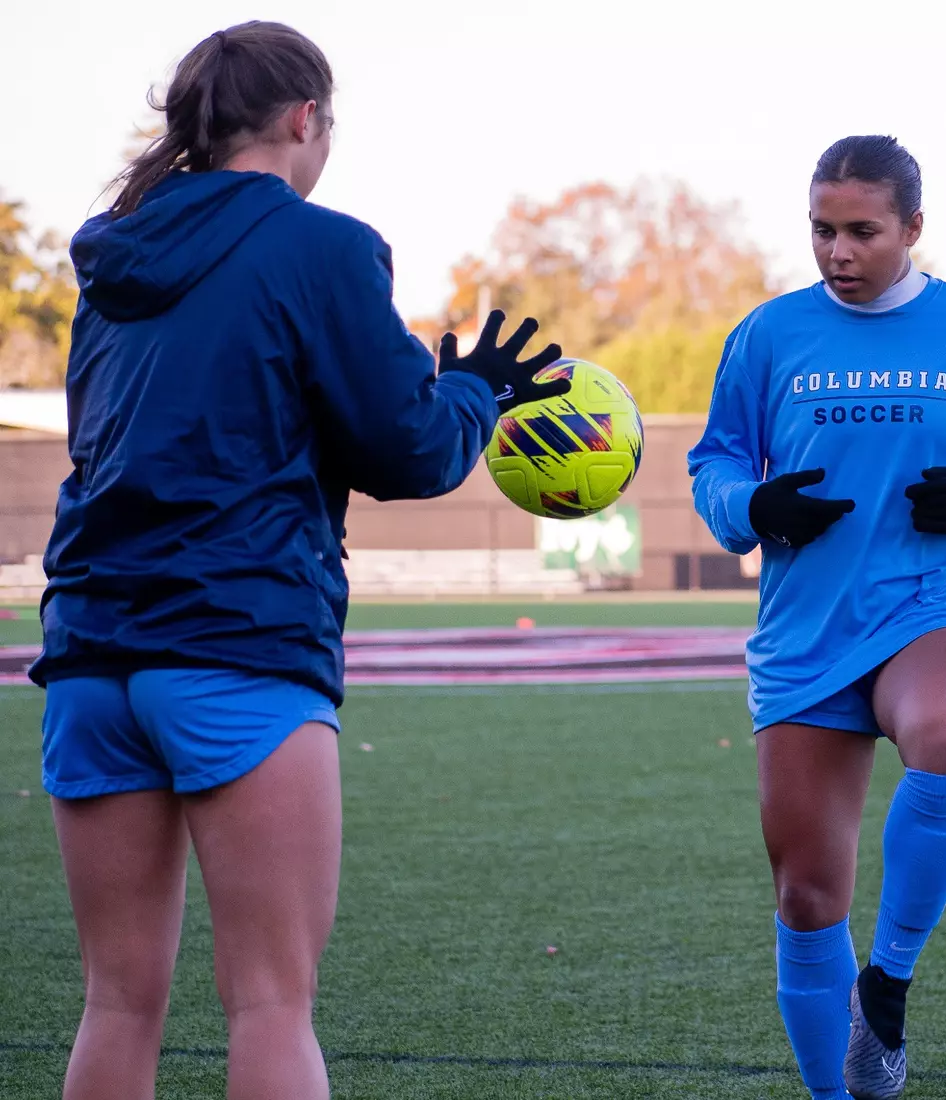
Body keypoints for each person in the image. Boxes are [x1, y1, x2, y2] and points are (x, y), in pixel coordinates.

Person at [30, 22, 565, 1100]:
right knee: (271, 999)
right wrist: (474, 393)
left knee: (116, 1000)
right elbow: (407, 448)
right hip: (238, 645)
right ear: (303, 120)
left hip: (89, 656)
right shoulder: (322, 244)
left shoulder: (112, 255)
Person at [688, 135, 946, 1100]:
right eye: (822, 230)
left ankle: (890, 983)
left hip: (928, 605)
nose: (838, 251)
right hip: (805, 633)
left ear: (912, 227)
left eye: (862, 231)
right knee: (808, 896)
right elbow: (716, 465)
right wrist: (753, 510)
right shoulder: (768, 335)